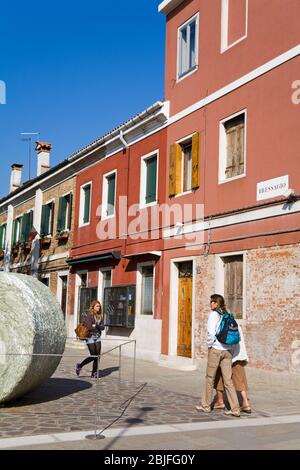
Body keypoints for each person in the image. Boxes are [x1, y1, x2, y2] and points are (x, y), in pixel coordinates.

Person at [196, 294, 241, 417]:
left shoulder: (213, 315)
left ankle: (206, 405)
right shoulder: (227, 314)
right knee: (228, 380)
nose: (210, 304)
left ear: (217, 303)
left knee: (209, 378)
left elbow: (211, 333)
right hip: (227, 351)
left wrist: (210, 345)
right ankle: (235, 408)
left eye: (212, 302)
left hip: (216, 350)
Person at [213, 324, 251, 413]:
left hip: (227, 353)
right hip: (239, 353)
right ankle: (245, 403)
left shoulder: (221, 323)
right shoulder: (236, 323)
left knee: (219, 375)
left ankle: (220, 401)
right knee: (240, 378)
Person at [75, 300, 105, 378]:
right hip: (90, 337)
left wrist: (96, 326)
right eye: (97, 306)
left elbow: (103, 327)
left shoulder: (100, 316)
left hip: (98, 337)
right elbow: (89, 327)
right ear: (93, 307)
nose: (99, 307)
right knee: (93, 355)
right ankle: (80, 365)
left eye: (99, 306)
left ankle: (94, 373)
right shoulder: (89, 315)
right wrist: (97, 327)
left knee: (97, 356)